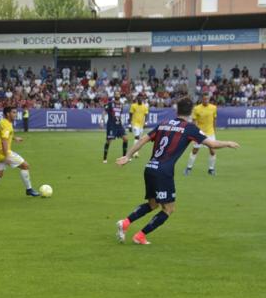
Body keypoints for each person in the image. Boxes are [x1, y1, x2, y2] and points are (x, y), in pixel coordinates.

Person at [115, 97, 239, 245]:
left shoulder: (164, 123)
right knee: (168, 209)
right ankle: (140, 236)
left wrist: (128, 156)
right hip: (164, 172)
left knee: (153, 204)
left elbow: (142, 139)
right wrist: (228, 143)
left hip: (150, 168)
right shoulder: (189, 128)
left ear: (176, 110)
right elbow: (211, 143)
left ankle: (125, 223)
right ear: (191, 111)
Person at [0, 106, 40, 199]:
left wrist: (14, 138)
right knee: (25, 166)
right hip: (3, 152)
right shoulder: (7, 125)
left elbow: (3, 134)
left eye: (15, 112)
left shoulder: (2, 122)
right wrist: (7, 155)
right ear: (7, 114)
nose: (15, 114)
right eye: (13, 112)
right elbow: (4, 140)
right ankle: (29, 189)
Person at [184, 94, 218, 175]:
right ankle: (188, 168)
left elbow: (214, 119)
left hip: (210, 132)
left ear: (209, 99)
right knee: (195, 150)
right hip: (200, 133)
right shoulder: (197, 108)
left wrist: (214, 130)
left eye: (207, 99)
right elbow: (194, 122)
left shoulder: (213, 108)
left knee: (212, 151)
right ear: (202, 99)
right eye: (204, 99)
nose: (206, 100)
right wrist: (195, 133)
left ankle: (211, 169)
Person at [102, 91, 128, 163]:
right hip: (111, 125)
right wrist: (102, 120)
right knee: (109, 141)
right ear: (114, 96)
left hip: (119, 125)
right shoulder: (110, 103)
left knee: (125, 139)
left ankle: (124, 157)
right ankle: (104, 158)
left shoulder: (121, 105)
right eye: (116, 94)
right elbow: (104, 111)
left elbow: (119, 114)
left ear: (120, 96)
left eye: (118, 94)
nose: (117, 95)